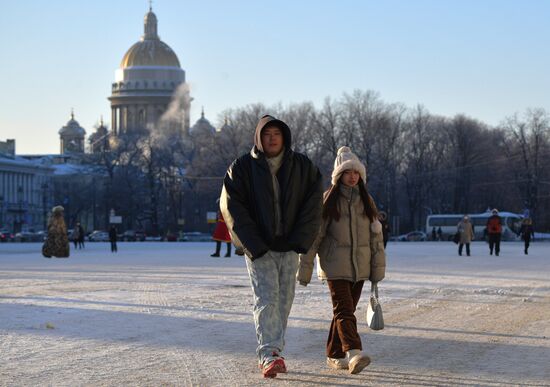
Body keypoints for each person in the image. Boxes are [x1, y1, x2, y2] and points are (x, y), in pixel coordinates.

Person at [220, 114, 323, 378]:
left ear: (284, 137)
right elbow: (232, 208)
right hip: (260, 246)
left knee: (284, 301)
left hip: (289, 245)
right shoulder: (242, 168)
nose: (272, 138)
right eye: (267, 134)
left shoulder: (302, 166)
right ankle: (269, 353)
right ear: (259, 138)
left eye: (277, 133)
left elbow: (313, 206)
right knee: (266, 299)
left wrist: (300, 240)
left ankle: (275, 349)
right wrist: (253, 244)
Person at [298, 146, 386, 375]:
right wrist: (305, 268)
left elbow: (376, 238)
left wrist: (377, 269)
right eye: (348, 172)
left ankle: (334, 354)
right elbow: (314, 237)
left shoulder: (367, 201)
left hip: (360, 267)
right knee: (345, 311)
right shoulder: (328, 200)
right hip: (334, 266)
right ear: (339, 176)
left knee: (343, 312)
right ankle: (354, 352)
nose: (353, 176)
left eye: (356, 172)